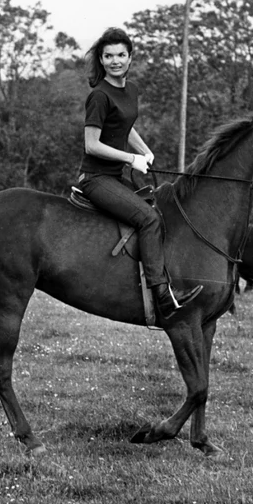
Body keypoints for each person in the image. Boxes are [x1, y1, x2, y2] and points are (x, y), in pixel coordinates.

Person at [77, 27, 203, 320]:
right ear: (101, 59)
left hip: (117, 175)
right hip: (96, 178)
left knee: (158, 209)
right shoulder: (99, 95)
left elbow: (125, 125)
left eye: (121, 55)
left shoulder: (130, 89)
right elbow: (91, 145)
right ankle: (161, 297)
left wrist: (145, 151)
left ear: (130, 58)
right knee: (148, 219)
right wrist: (130, 158)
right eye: (108, 56)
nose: (115, 61)